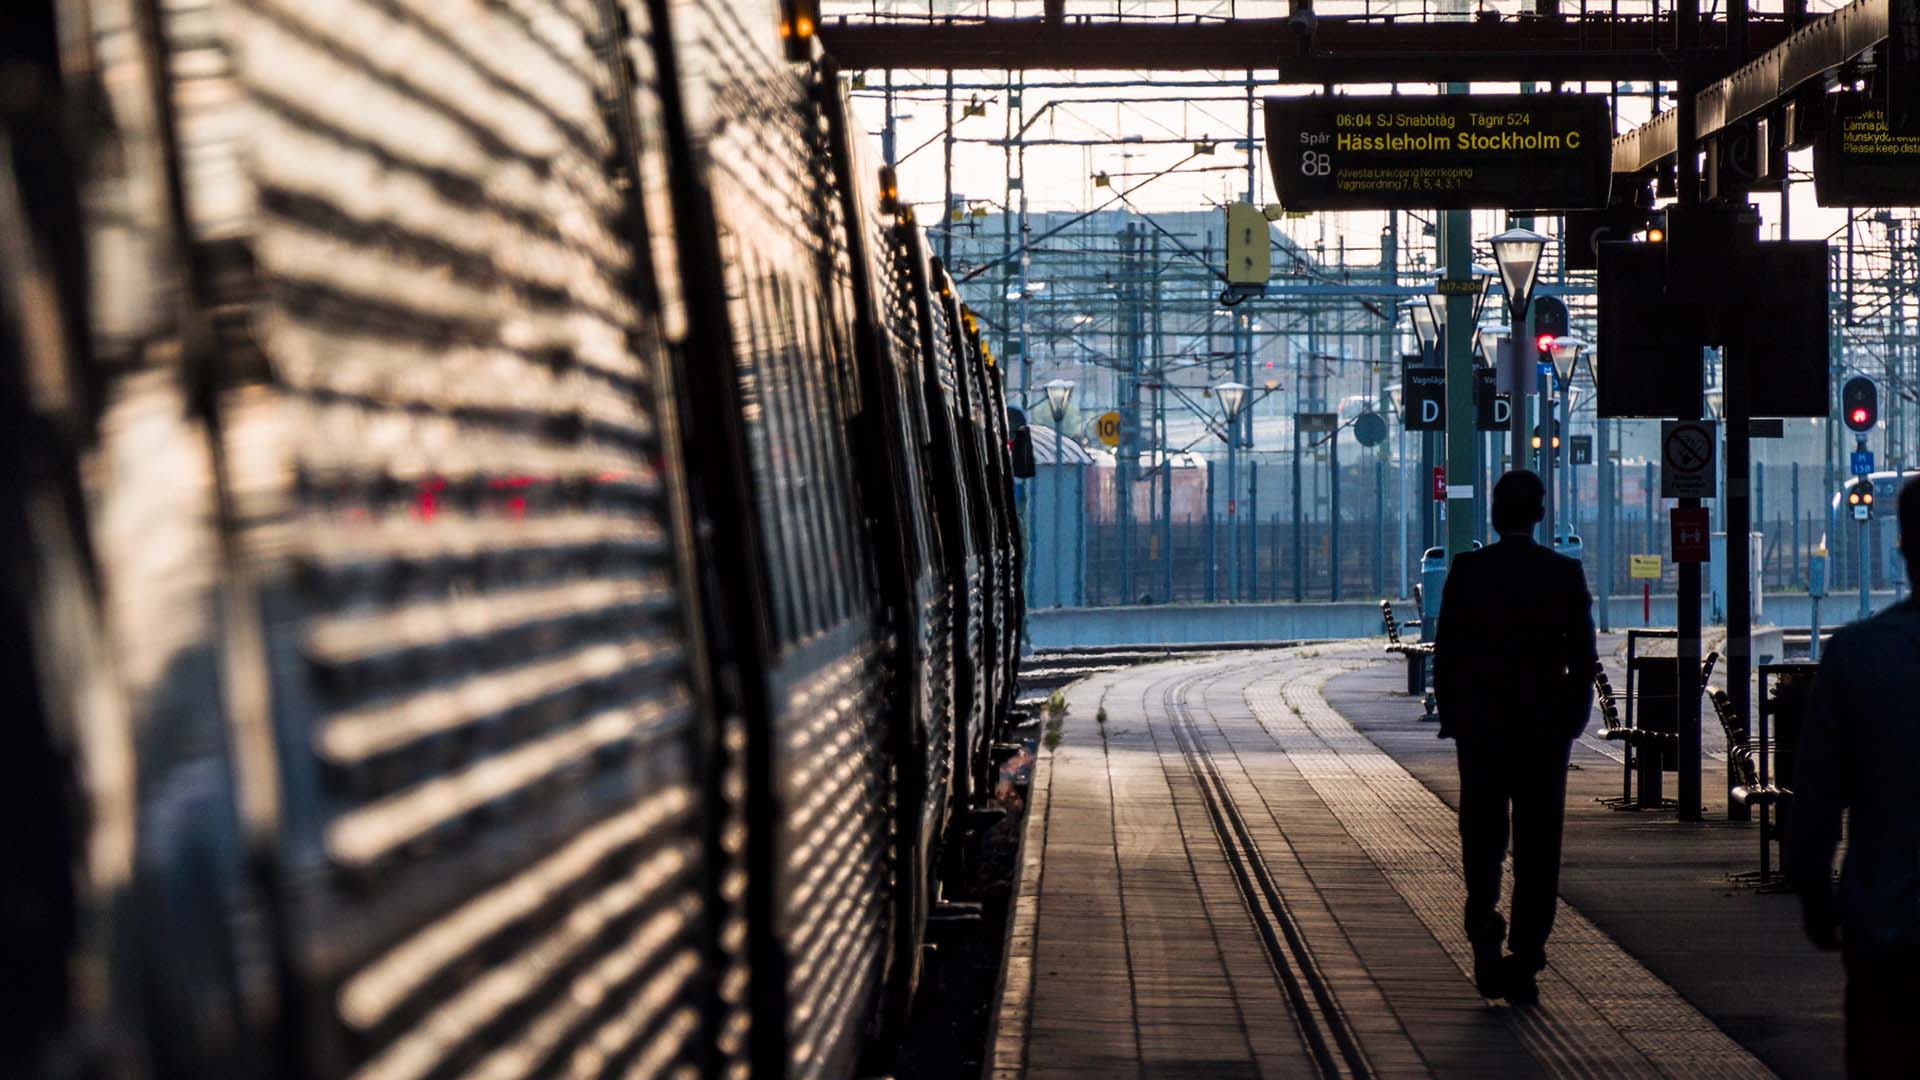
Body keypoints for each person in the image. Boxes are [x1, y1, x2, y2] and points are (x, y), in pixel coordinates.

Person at [1432, 470, 1597, 1005]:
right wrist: (1570, 722)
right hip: (1544, 735)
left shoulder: (1468, 571)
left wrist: (1457, 717)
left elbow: (1447, 651)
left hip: (1481, 733)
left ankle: (1483, 924)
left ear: (1495, 516)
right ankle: (1525, 957)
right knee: (1538, 848)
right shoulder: (1564, 574)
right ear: (1541, 516)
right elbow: (1584, 660)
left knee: (1482, 839)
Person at [1790, 476, 1920, 1078]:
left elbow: (1815, 795)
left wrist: (1816, 896)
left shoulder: (1858, 654)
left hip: (1884, 925)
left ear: (1903, 546)